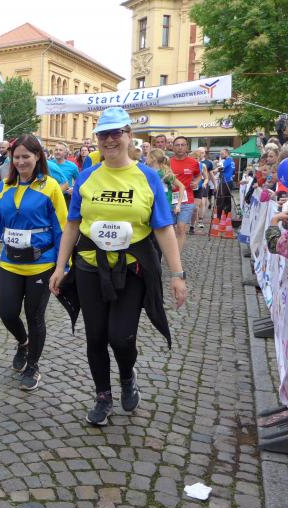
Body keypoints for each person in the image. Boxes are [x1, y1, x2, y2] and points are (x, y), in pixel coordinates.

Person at [49, 107, 187, 426]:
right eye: (103, 134)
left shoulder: (147, 177)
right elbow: (72, 224)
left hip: (132, 269)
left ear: (128, 136)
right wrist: (60, 266)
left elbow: (163, 227)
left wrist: (177, 274)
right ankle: (102, 396)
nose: (109, 140)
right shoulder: (87, 176)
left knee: (121, 337)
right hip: (89, 267)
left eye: (116, 133)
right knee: (96, 336)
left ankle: (127, 375)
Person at [0, 134, 67, 390]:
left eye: (26, 156)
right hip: (10, 261)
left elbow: (62, 228)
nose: (20, 162)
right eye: (16, 157)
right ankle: (23, 342)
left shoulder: (50, 186)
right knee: (7, 313)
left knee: (35, 316)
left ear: (37, 156)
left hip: (42, 263)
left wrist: (63, 266)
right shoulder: (4, 187)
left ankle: (33, 366)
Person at [169, 136, 200, 252]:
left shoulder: (193, 163)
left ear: (187, 147)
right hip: (170, 200)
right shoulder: (168, 162)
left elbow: (198, 175)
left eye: (183, 145)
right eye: (177, 145)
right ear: (173, 147)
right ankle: (169, 252)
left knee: (181, 228)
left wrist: (196, 182)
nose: (180, 147)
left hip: (187, 200)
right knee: (170, 230)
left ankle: (176, 257)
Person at [146, 149, 183, 220]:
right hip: (150, 205)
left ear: (153, 159)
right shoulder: (147, 171)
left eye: (148, 157)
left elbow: (181, 186)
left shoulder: (164, 173)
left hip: (164, 206)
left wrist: (178, 205)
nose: (146, 159)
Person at [214, 148, 235, 220]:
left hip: (225, 181)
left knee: (220, 198)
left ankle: (219, 217)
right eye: (220, 154)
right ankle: (227, 216)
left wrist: (213, 171)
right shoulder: (232, 161)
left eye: (222, 154)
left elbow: (219, 168)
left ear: (227, 153)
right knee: (227, 199)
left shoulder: (227, 161)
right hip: (229, 181)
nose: (221, 155)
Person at [195, 147, 214, 228]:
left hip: (203, 184)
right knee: (195, 205)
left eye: (202, 152)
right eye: (199, 152)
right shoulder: (193, 161)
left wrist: (215, 184)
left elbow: (211, 175)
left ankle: (200, 219)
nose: (200, 154)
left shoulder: (208, 163)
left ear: (205, 153)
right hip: (194, 184)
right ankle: (194, 220)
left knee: (203, 202)